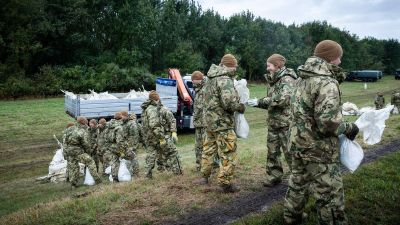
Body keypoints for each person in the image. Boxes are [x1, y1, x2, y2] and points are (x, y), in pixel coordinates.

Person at [283, 40, 359, 225]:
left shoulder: (302, 77)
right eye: (338, 57)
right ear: (331, 58)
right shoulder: (326, 82)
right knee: (329, 195)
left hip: (298, 144)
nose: (340, 62)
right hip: (319, 149)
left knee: (297, 185)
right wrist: (349, 128)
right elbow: (328, 123)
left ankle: (291, 218)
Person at [249, 54, 298, 187]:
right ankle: (274, 176)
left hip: (285, 123)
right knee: (272, 152)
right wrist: (258, 103)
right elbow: (272, 101)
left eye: (269, 65)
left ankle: (299, 179)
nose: (267, 67)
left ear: (277, 66)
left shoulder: (287, 79)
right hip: (273, 123)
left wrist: (260, 101)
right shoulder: (274, 79)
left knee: (290, 152)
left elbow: (283, 99)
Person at [200, 53, 246, 193]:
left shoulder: (209, 78)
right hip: (222, 123)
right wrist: (241, 106)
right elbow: (229, 103)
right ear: (230, 66)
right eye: (235, 67)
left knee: (208, 150)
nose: (235, 70)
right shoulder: (224, 79)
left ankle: (204, 177)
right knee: (228, 152)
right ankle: (225, 184)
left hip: (209, 122)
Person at [141, 90, 183, 179]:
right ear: (157, 98)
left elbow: (171, 120)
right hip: (159, 136)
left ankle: (147, 175)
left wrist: (173, 131)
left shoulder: (146, 109)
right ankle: (178, 173)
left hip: (150, 138)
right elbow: (154, 125)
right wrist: (161, 138)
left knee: (151, 155)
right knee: (173, 153)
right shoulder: (153, 109)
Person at [63, 117, 102, 187]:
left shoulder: (69, 129)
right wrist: (88, 152)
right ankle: (98, 180)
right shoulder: (82, 131)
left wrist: (65, 152)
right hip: (78, 151)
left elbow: (64, 142)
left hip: (69, 152)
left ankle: (73, 184)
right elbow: (85, 144)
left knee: (73, 167)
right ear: (83, 122)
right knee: (90, 161)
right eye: (86, 122)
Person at [191, 70, 207, 171]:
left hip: (205, 124)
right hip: (198, 123)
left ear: (198, 80)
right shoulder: (197, 89)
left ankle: (208, 165)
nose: (192, 83)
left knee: (206, 146)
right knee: (198, 146)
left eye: (193, 81)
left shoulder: (206, 89)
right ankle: (199, 165)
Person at [103, 112, 123, 182]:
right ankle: (128, 174)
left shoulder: (108, 125)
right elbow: (119, 140)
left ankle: (115, 178)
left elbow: (104, 137)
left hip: (109, 146)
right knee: (129, 158)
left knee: (114, 162)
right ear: (121, 117)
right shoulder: (119, 126)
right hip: (117, 146)